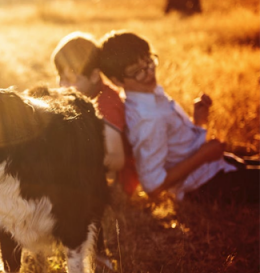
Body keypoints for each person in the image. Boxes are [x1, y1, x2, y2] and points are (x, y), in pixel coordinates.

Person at [97, 30, 260, 202]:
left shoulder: (150, 96)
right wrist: (203, 156)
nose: (149, 73)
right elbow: (153, 186)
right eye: (138, 71)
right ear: (117, 81)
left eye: (149, 62)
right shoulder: (147, 119)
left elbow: (176, 147)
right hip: (208, 184)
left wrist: (198, 121)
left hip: (215, 166)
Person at [51, 31, 139, 195]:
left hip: (117, 182)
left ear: (94, 76)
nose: (63, 86)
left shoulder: (106, 104)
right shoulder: (81, 96)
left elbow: (117, 160)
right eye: (60, 78)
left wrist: (81, 162)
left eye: (71, 80)